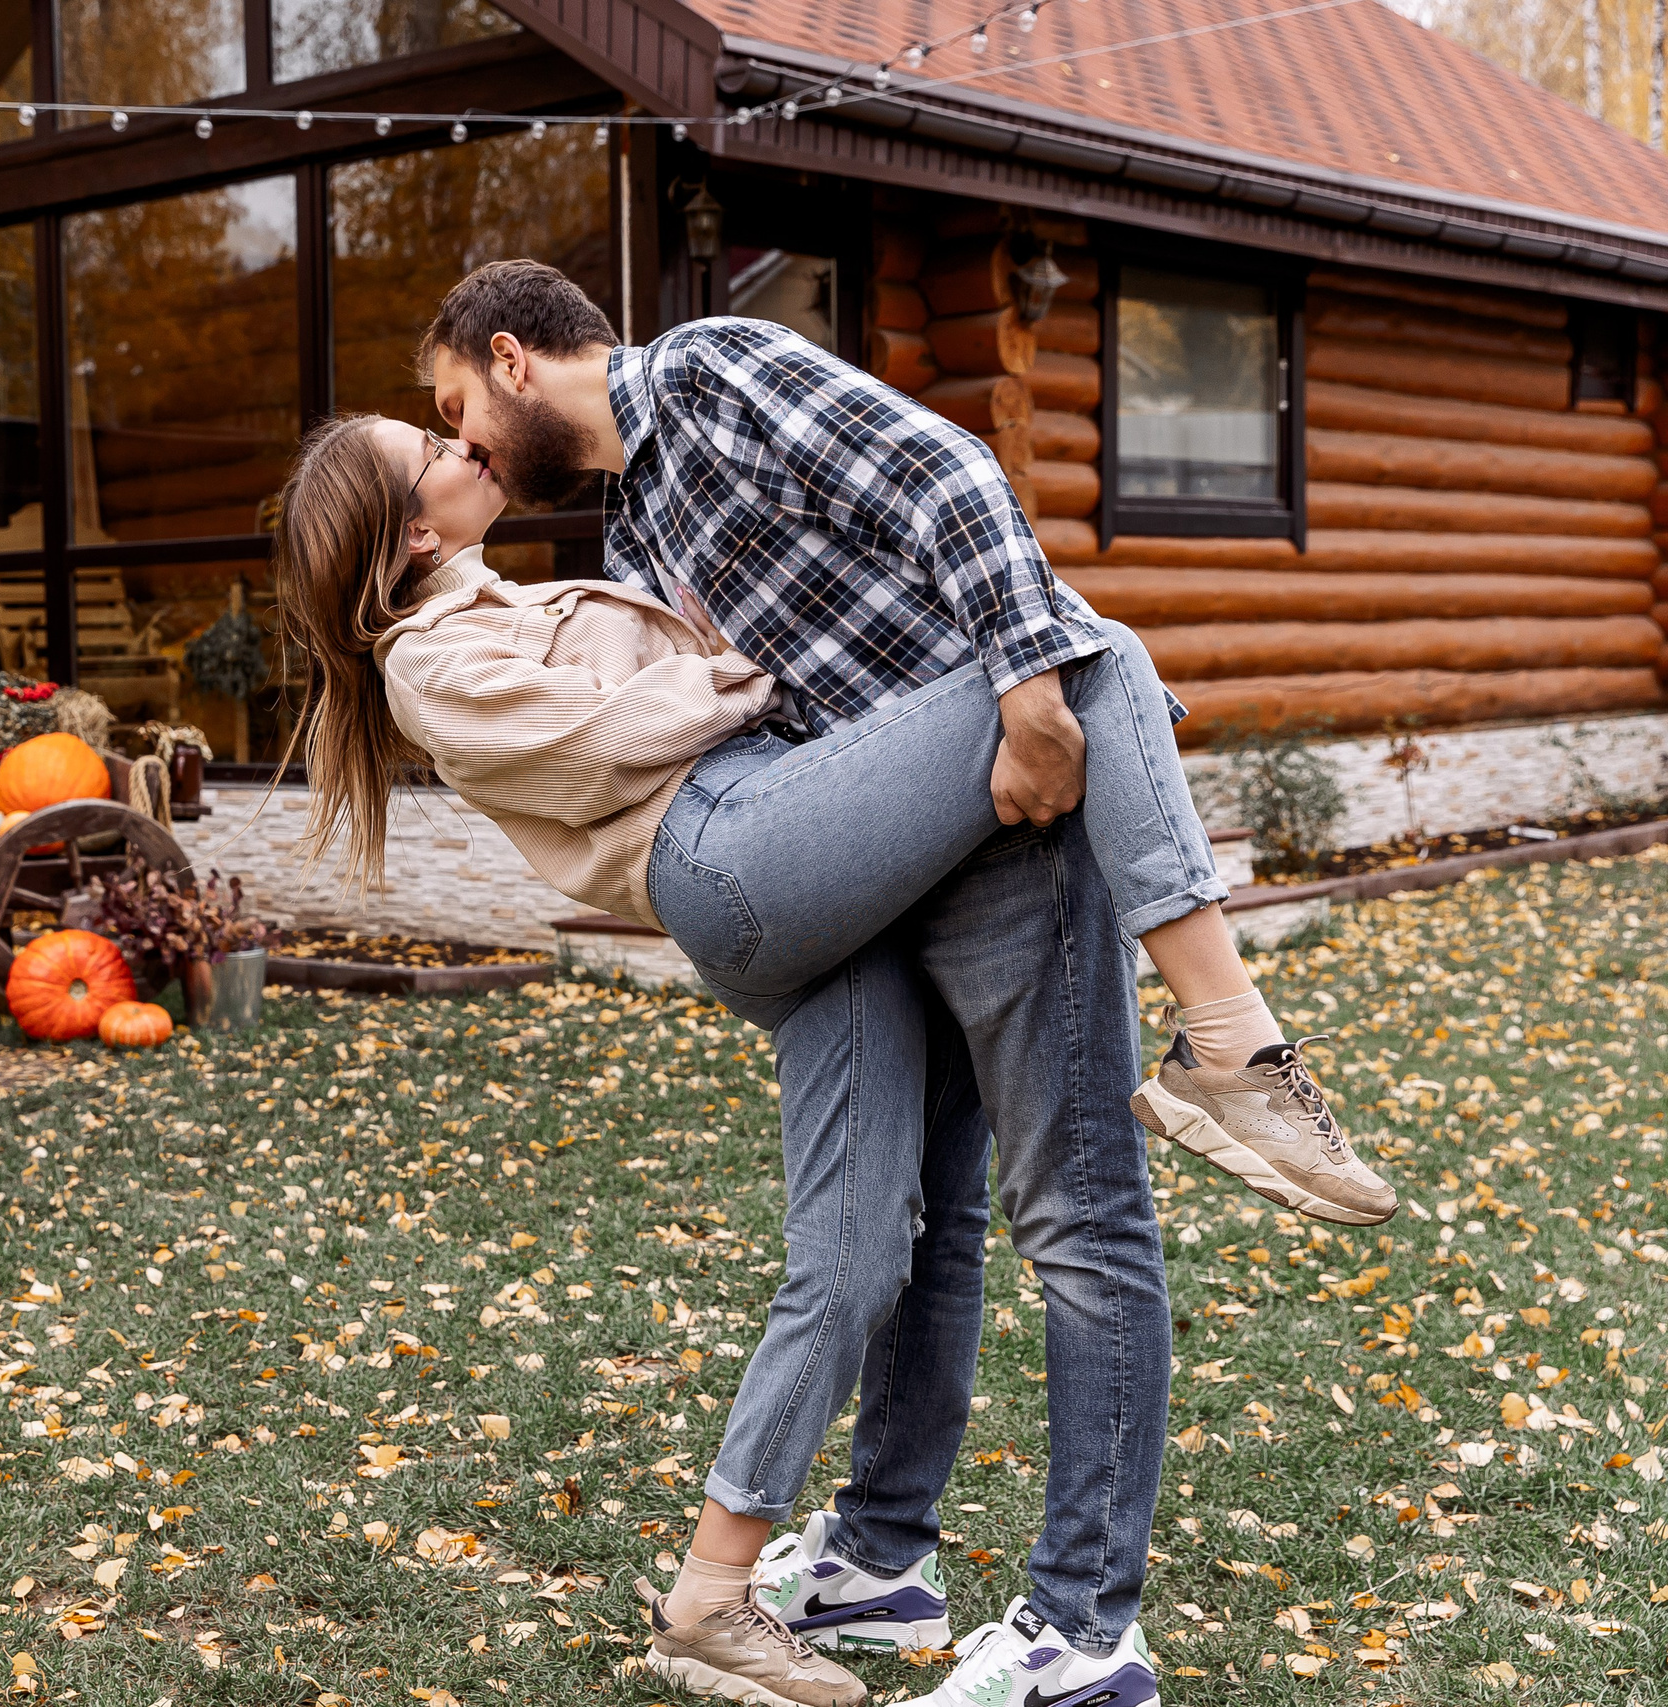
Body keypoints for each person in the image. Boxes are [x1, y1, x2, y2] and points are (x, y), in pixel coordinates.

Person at [270, 264, 1396, 1707]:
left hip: (906, 837)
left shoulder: (673, 434)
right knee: (1092, 647)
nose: (462, 442)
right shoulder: (499, 611)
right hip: (780, 855)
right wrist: (992, 682)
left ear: (507, 360)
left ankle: (842, 1570)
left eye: (447, 414)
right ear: (407, 524)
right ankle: (1230, 1045)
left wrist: (993, 698)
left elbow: (947, 480)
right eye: (435, 440)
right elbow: (662, 721)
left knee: (891, 1237)